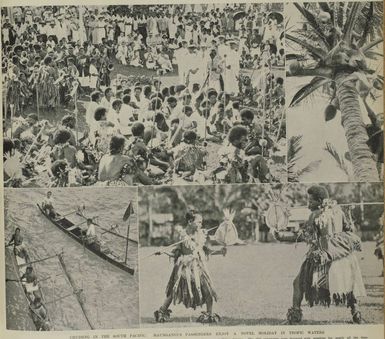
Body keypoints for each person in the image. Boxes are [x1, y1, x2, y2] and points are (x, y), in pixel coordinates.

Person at [273, 185, 366, 324]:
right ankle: (356, 314)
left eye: (311, 201)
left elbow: (304, 236)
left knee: (298, 283)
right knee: (347, 285)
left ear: (320, 201)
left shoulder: (315, 215)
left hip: (322, 257)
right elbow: (349, 229)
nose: (308, 204)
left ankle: (294, 317)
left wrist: (282, 237)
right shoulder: (338, 211)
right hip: (342, 254)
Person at [154, 211, 223, 323]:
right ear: (190, 221)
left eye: (202, 222)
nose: (201, 224)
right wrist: (162, 252)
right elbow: (176, 252)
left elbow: (204, 251)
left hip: (198, 267)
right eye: (199, 222)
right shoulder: (182, 235)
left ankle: (209, 314)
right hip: (184, 267)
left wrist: (220, 252)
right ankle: (161, 311)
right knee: (174, 290)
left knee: (207, 289)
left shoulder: (201, 234)